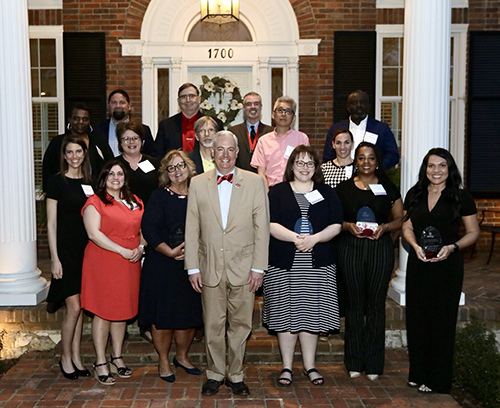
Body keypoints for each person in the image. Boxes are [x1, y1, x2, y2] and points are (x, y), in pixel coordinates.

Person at [185, 131, 270, 396]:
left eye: (229, 150)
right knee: (212, 324)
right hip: (209, 266)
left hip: (244, 269)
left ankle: (235, 374)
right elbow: (192, 227)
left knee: (241, 325)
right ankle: (214, 373)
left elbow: (262, 228)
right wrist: (192, 266)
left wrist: (259, 267)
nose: (224, 155)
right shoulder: (197, 183)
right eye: (219, 149)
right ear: (212, 152)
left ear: (237, 152)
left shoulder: (255, 182)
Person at [263, 145, 343, 387]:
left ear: (316, 167)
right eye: (300, 163)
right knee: (285, 314)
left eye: (310, 163)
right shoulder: (277, 192)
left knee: (312, 314)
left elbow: (337, 224)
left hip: (317, 264)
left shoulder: (327, 192)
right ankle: (286, 366)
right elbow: (268, 222)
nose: (305, 168)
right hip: (285, 264)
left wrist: (314, 239)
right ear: (291, 166)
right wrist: (296, 239)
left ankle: (310, 365)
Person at [402, 148, 479, 394]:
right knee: (417, 319)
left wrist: (453, 247)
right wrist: (414, 246)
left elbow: (473, 233)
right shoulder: (415, 193)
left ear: (450, 169)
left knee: (441, 321)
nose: (436, 171)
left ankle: (438, 379)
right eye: (431, 166)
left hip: (447, 266)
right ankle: (418, 373)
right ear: (425, 169)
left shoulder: (461, 197)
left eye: (442, 166)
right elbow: (407, 226)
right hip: (419, 264)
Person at [335, 142, 403, 381]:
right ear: (356, 161)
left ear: (377, 161)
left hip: (379, 250)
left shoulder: (388, 188)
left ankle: (374, 363)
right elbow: (333, 221)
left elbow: (399, 220)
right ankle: (354, 361)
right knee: (354, 306)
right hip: (350, 250)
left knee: (375, 306)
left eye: (371, 158)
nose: (366, 162)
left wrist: (385, 228)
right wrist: (347, 226)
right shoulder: (343, 189)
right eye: (361, 158)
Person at [139, 150, 203, 383]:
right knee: (162, 318)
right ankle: (164, 360)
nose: (177, 171)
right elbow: (149, 229)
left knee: (188, 315)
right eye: (172, 168)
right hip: (162, 265)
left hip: (192, 266)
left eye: (181, 166)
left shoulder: (199, 194)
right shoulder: (158, 196)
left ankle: (183, 357)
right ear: (166, 173)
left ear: (189, 168)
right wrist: (170, 251)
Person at [81, 160, 145, 385]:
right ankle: (100, 361)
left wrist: (140, 248)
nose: (116, 178)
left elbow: (141, 230)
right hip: (105, 260)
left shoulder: (135, 200)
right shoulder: (95, 202)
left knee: (122, 310)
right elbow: (94, 234)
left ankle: (117, 357)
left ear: (125, 177)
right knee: (103, 311)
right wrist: (122, 251)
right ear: (104, 178)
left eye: (120, 174)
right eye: (111, 174)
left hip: (130, 261)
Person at [46, 135, 93, 380]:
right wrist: (54, 258)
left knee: (81, 307)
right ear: (64, 156)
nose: (75, 156)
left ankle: (76, 357)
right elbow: (51, 224)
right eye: (70, 152)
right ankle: (65, 357)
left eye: (78, 152)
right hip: (65, 251)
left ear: (84, 154)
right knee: (73, 307)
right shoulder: (56, 183)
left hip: (86, 251)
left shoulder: (90, 182)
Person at [42, 102, 113, 192]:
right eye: (76, 118)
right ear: (69, 119)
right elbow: (48, 169)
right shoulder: (58, 142)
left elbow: (111, 164)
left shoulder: (98, 141)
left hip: (95, 193)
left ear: (90, 121)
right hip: (65, 192)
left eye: (85, 119)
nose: (80, 122)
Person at [322, 90, 400, 170]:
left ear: (369, 106)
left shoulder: (381, 129)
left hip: (371, 177)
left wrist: (375, 168)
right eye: (354, 103)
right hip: (341, 176)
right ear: (348, 107)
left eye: (363, 102)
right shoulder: (335, 129)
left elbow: (393, 155)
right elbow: (328, 156)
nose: (359, 106)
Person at [251, 96, 309, 190]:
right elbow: (261, 172)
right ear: (273, 115)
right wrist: (267, 194)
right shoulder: (263, 141)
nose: (283, 114)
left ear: (293, 117)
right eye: (280, 110)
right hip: (271, 189)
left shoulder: (302, 138)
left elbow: (306, 167)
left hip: (296, 189)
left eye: (288, 111)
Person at [154, 83, 223, 157]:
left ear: (199, 99)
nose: (188, 100)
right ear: (178, 101)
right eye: (183, 97)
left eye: (192, 96)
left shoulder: (215, 123)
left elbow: (221, 150)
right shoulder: (166, 126)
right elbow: (157, 155)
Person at [94, 89, 156, 157]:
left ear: (129, 106)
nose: (118, 106)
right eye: (114, 102)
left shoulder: (144, 130)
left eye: (122, 102)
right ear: (108, 106)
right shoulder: (97, 130)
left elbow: (150, 156)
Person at [115, 120, 160, 207]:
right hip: (121, 215)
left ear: (142, 141)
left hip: (150, 212)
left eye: (135, 138)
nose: (131, 142)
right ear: (120, 142)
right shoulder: (113, 165)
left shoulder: (156, 164)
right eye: (126, 139)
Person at [228, 92, 273, 172]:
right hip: (240, 179)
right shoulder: (233, 132)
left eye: (256, 104)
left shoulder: (270, 132)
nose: (252, 107)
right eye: (249, 104)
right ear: (244, 107)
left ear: (261, 107)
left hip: (264, 179)